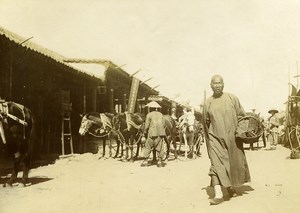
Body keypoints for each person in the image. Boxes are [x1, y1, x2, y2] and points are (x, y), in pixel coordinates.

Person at [203, 74, 251, 205]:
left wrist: (239, 132)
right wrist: (209, 140)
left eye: (220, 83)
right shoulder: (207, 102)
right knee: (215, 164)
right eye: (215, 83)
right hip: (215, 139)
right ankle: (218, 194)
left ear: (223, 84)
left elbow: (242, 117)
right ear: (211, 85)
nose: (217, 85)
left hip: (232, 139)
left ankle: (229, 187)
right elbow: (205, 123)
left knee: (230, 163)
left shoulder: (232, 98)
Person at [141, 101, 166, 168]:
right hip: (160, 134)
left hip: (152, 133)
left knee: (148, 146)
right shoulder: (161, 114)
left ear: (150, 108)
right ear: (156, 108)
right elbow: (163, 124)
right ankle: (160, 161)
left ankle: (145, 161)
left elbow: (146, 126)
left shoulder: (149, 115)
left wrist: (144, 132)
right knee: (160, 147)